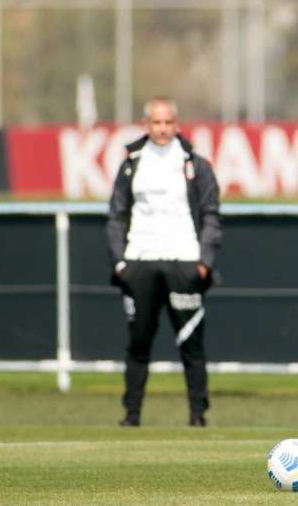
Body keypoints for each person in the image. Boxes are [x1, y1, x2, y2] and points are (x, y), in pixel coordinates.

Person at [106, 96, 222, 427]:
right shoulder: (132, 163)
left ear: (176, 123)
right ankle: (131, 415)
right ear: (147, 124)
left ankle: (198, 415)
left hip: (184, 261)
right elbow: (116, 215)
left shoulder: (194, 164)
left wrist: (204, 262)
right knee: (139, 342)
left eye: (168, 122)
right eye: (156, 122)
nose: (162, 128)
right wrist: (120, 263)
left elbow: (212, 215)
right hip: (140, 260)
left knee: (191, 343)